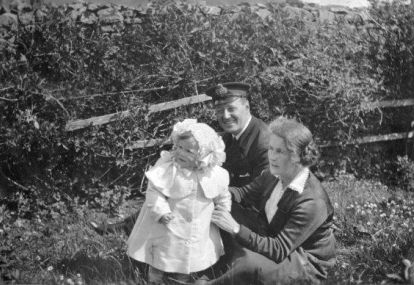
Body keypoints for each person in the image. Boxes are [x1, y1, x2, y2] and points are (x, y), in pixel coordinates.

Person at [91, 82, 270, 235]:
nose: (225, 116)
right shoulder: (230, 135)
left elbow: (256, 195)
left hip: (251, 215)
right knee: (175, 183)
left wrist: (206, 190)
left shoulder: (263, 142)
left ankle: (137, 234)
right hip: (229, 199)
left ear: (247, 107)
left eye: (231, 109)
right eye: (219, 110)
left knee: (185, 194)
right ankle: (131, 228)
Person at [197, 117, 336, 285]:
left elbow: (278, 249)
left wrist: (235, 228)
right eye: (270, 149)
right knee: (223, 206)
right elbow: (243, 193)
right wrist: (215, 192)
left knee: (250, 265)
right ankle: (215, 261)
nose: (272, 156)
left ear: (297, 157)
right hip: (270, 233)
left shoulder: (312, 201)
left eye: (279, 151)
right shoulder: (273, 174)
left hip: (303, 260)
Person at [127, 119, 232, 284]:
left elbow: (222, 194)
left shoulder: (213, 174)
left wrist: (223, 211)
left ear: (204, 154)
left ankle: (181, 278)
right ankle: (155, 278)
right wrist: (161, 211)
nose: (181, 153)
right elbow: (154, 191)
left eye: (189, 150)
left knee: (188, 256)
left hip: (199, 226)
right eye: (179, 147)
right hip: (168, 226)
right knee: (163, 253)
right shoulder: (169, 168)